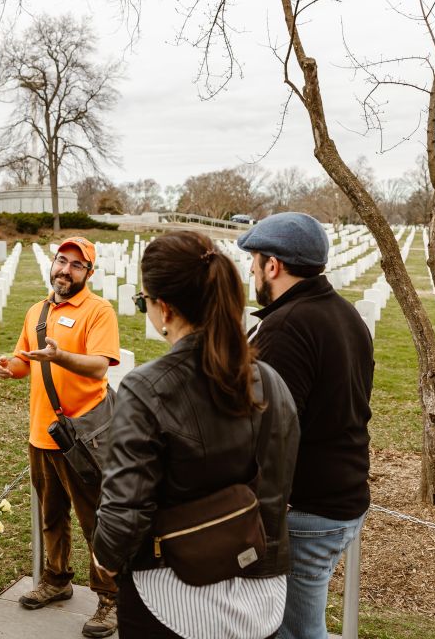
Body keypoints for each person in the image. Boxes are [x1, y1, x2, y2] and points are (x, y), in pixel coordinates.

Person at [91, 230, 300, 639]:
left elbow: (126, 509)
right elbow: (279, 484)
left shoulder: (146, 388)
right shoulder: (269, 380)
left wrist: (104, 561)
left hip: (174, 598)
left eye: (144, 302)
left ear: (163, 308)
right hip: (262, 592)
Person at [237, 212, 375, 639]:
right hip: (342, 495)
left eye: (255, 262)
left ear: (273, 266)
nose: (252, 271)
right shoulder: (344, 313)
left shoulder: (287, 328)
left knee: (293, 631)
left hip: (308, 509)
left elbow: (267, 431)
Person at [0, 236, 121, 638]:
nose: (65, 270)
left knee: (94, 521)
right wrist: (8, 365)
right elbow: (25, 360)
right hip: (41, 433)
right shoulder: (38, 311)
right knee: (51, 517)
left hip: (84, 437)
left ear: (89, 273)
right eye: (61, 261)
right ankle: (57, 578)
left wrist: (59, 355)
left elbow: (99, 367)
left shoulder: (99, 312)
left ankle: (110, 599)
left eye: (76, 265)